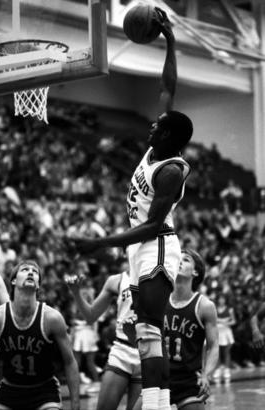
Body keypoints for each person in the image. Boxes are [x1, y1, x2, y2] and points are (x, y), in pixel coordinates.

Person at [63, 8, 193, 410]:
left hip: (155, 246)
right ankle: (157, 404)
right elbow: (167, 87)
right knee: (145, 336)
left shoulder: (171, 170)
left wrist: (98, 244)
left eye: (158, 125)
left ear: (170, 134)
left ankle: (158, 405)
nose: (151, 127)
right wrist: (170, 43)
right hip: (140, 250)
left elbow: (151, 226)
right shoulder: (160, 147)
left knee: (153, 334)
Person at [0, 260, 80, 410]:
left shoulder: (52, 318)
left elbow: (70, 362)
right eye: (25, 270)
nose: (30, 272)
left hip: (44, 391)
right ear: (13, 280)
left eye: (35, 272)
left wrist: (75, 403)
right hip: (10, 389)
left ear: (38, 285)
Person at [65, 265, 141, 410]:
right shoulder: (115, 280)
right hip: (122, 350)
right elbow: (91, 316)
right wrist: (76, 293)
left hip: (146, 352)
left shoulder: (159, 276)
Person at [164, 249, 218, 409]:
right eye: (177, 258)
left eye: (186, 259)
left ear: (196, 272)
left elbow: (213, 346)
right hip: (160, 376)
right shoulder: (160, 297)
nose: (179, 261)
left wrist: (206, 376)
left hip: (187, 381)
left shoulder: (205, 306)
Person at [213, 294, 236, 381]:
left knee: (227, 351)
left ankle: (226, 369)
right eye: (220, 299)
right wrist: (221, 320)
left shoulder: (230, 309)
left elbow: (234, 321)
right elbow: (212, 319)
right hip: (217, 331)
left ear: (225, 300)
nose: (221, 301)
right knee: (217, 352)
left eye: (223, 299)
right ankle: (218, 369)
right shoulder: (214, 309)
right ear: (218, 300)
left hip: (226, 332)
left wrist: (226, 323)